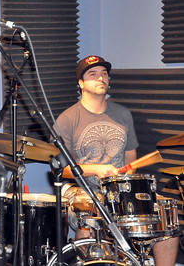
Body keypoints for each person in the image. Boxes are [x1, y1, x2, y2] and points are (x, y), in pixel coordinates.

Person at [55, 55, 179, 266]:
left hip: (120, 190)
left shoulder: (123, 114)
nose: (101, 78)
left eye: (104, 74)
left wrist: (126, 182)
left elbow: (131, 157)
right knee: (90, 220)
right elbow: (61, 171)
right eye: (92, 74)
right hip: (82, 188)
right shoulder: (66, 119)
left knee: (166, 221)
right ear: (81, 83)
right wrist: (96, 169)